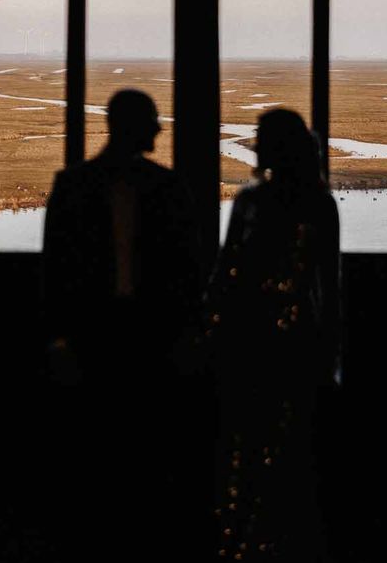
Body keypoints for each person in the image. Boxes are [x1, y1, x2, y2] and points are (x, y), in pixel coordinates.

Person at [42, 89, 203, 559]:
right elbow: (187, 273)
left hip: (132, 339)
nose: (159, 129)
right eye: (152, 121)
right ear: (132, 126)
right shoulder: (166, 189)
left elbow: (54, 274)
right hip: (119, 339)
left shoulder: (76, 185)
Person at [204, 108, 341, 562]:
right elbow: (328, 286)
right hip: (295, 343)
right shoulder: (318, 202)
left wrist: (211, 328)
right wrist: (329, 354)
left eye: (261, 138)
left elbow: (227, 275)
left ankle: (240, 539)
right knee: (286, 448)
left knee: (244, 446)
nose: (255, 145)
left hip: (249, 343)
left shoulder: (251, 202)